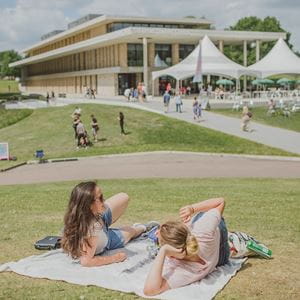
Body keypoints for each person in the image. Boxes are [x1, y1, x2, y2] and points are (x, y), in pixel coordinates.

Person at [144, 197, 229, 295]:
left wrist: (163, 250)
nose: (156, 234)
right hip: (221, 254)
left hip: (217, 259)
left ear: (171, 253)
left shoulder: (181, 270)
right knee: (203, 215)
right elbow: (220, 202)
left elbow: (150, 290)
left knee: (202, 217)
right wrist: (192, 208)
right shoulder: (202, 230)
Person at [62, 181, 158, 267]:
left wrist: (100, 208)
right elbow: (86, 261)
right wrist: (115, 258)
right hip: (108, 240)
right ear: (88, 205)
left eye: (102, 196)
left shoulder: (77, 215)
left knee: (124, 197)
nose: (103, 200)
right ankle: (143, 227)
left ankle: (131, 227)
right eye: (100, 198)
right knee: (132, 231)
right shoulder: (91, 228)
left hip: (100, 218)